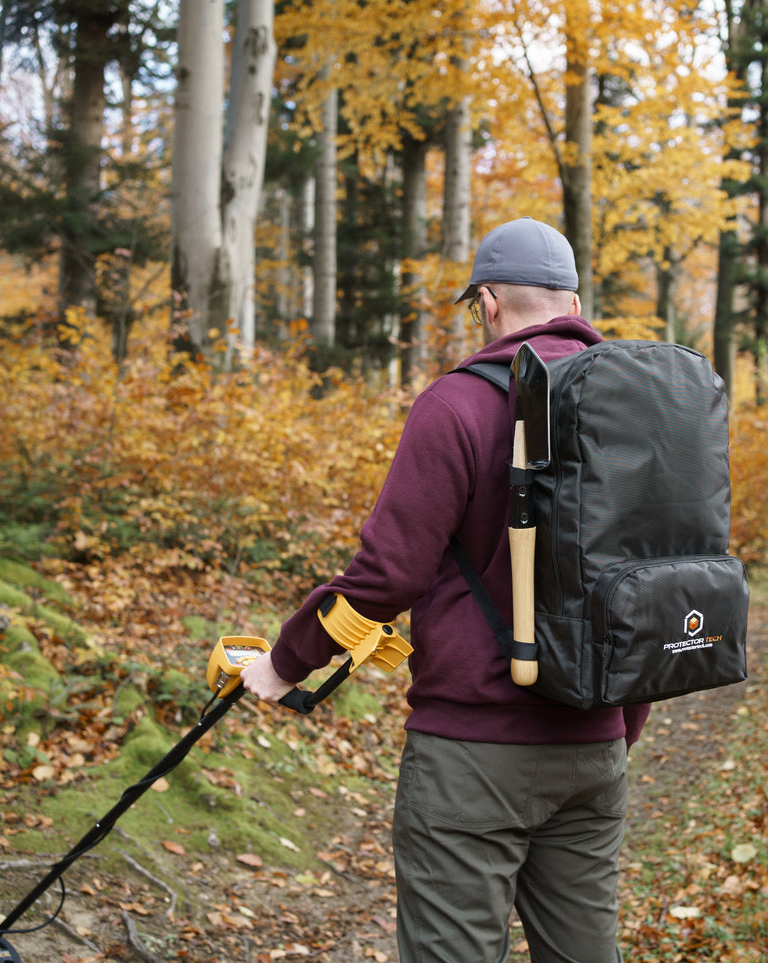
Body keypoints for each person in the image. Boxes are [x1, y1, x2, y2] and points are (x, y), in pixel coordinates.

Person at [240, 216, 650, 963]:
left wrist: (284, 662)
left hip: (472, 755)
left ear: (487, 304)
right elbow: (643, 575)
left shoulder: (456, 404)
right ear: (575, 302)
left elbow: (387, 575)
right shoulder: (640, 406)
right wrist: (620, 721)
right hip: (596, 744)